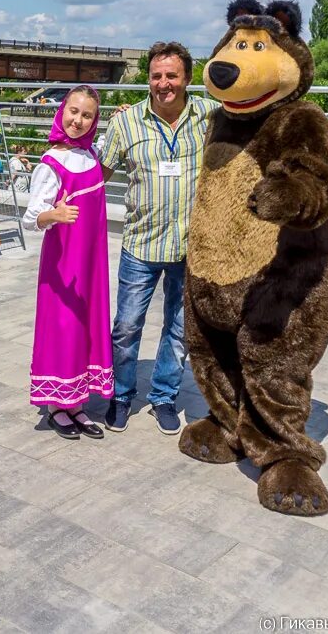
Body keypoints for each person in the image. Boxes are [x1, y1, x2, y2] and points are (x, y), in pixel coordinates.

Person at [99, 41, 220, 435]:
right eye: (156, 76)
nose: (163, 83)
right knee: (127, 325)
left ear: (186, 77)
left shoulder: (210, 115)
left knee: (180, 328)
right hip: (141, 245)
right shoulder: (125, 122)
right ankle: (120, 394)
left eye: (171, 75)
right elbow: (96, 176)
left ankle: (164, 397)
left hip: (191, 248)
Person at [22, 86, 112, 439]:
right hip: (64, 262)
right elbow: (30, 219)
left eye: (86, 115)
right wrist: (53, 214)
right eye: (73, 112)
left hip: (91, 259)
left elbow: (106, 147)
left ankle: (76, 402)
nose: (77, 120)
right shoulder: (51, 162)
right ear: (61, 112)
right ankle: (56, 405)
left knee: (86, 324)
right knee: (63, 326)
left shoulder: (90, 154)